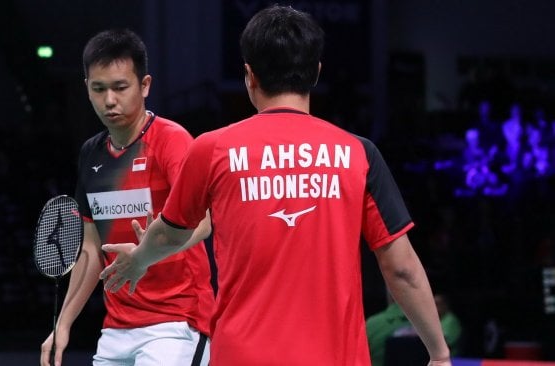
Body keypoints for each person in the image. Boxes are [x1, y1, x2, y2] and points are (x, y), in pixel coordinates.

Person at [100, 5, 451, 365]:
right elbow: (401, 267)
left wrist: (139, 261)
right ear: (316, 72)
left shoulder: (212, 148)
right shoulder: (358, 153)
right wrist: (438, 353)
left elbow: (169, 234)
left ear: (249, 75)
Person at [39, 28, 214, 366]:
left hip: (176, 323)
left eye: (120, 87)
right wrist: (63, 323)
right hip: (117, 329)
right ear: (86, 88)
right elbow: (90, 249)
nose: (109, 100)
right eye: (98, 89)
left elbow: (204, 222)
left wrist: (145, 255)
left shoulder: (172, 142)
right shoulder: (92, 154)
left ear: (144, 85)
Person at [366, 291, 462, 366]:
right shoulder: (429, 322)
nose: (436, 307)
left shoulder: (371, 324)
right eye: (434, 303)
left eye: (438, 303)